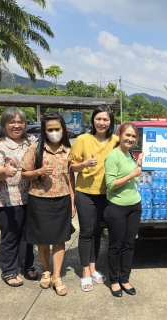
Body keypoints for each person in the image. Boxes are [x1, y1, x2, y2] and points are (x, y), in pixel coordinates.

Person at [21, 112, 76, 296]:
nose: (54, 132)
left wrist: (73, 201)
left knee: (59, 239)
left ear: (63, 130)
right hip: (39, 199)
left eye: (57, 129)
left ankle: (57, 276)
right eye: (50, 129)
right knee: (42, 239)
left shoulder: (68, 150)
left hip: (62, 199)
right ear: (44, 131)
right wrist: (39, 171)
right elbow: (24, 174)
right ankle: (46, 270)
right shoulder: (35, 149)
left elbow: (70, 178)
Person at [0, 107, 39, 287]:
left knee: (28, 235)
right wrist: (5, 171)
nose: (17, 125)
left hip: (31, 195)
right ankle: (9, 270)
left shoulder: (31, 141)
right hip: (7, 198)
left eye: (20, 122)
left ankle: (27, 264)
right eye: (12, 122)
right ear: (4, 124)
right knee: (10, 235)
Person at [70, 105, 118, 292]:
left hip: (107, 194)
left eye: (105, 119)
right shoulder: (83, 139)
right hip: (85, 192)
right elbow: (71, 168)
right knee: (86, 232)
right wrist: (84, 163)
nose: (102, 122)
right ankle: (85, 272)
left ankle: (93, 267)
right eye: (98, 119)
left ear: (111, 122)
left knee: (97, 232)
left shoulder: (115, 140)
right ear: (93, 121)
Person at [104, 122, 143, 297]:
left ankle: (125, 278)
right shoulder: (114, 156)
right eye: (127, 135)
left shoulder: (130, 155)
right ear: (119, 135)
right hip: (117, 207)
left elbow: (133, 179)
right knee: (115, 246)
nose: (130, 139)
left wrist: (137, 164)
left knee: (129, 244)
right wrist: (132, 175)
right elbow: (111, 185)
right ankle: (114, 280)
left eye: (134, 136)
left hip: (134, 206)